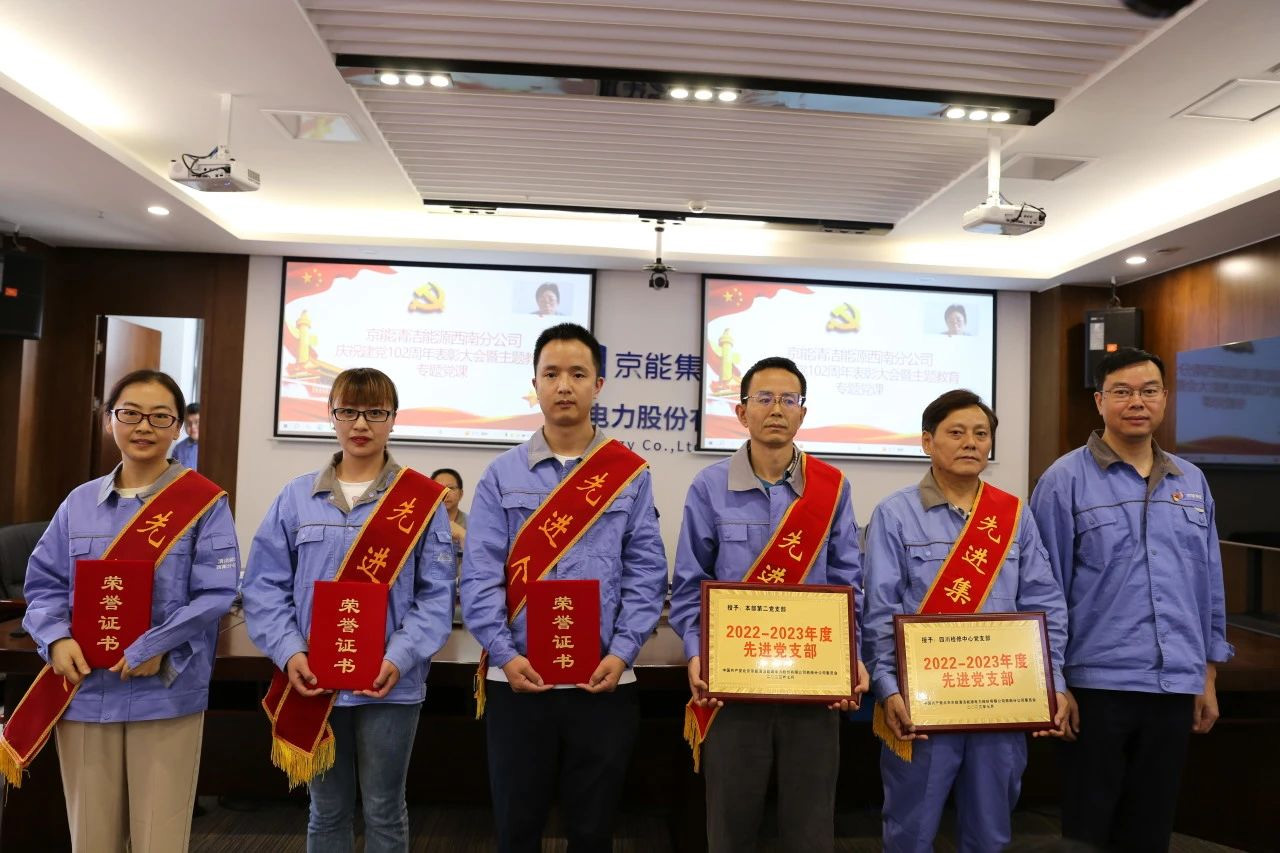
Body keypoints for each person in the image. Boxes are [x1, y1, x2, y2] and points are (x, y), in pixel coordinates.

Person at [460, 322, 667, 852]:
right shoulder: (501, 475)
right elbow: (480, 575)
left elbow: (646, 572)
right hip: (518, 680)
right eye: (551, 374)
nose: (564, 385)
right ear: (535, 384)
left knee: (593, 831)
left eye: (578, 373)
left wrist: (621, 653)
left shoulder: (629, 475)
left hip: (603, 681)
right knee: (516, 829)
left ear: (599, 384)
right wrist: (505, 655)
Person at [13, 369, 238, 852]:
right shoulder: (78, 504)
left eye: (160, 417)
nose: (144, 427)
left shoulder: (205, 503)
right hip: (85, 692)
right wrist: (56, 638)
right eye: (130, 414)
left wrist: (156, 645)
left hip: (165, 691)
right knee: (92, 838)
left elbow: (217, 593)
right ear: (109, 419)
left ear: (178, 427)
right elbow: (45, 584)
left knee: (160, 838)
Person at [242, 367, 455, 853]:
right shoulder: (296, 497)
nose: (361, 424)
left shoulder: (421, 502)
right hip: (314, 679)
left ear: (393, 419)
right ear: (331, 415)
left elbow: (437, 595)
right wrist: (290, 652)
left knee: (384, 809)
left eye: (375, 412)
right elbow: (264, 586)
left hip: (391, 684)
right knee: (326, 811)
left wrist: (398, 657)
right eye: (349, 411)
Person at [1029, 347, 1232, 852]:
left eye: (1148, 391)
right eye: (1122, 392)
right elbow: (1043, 590)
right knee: (1088, 828)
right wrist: (1054, 682)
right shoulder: (1063, 480)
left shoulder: (1191, 480)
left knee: (1151, 826)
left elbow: (1208, 581)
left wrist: (1206, 672)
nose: (1136, 402)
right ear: (1100, 402)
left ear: (1164, 398)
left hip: (1174, 682)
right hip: (1096, 684)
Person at [669, 355, 869, 853]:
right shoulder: (709, 487)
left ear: (803, 412)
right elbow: (690, 584)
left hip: (813, 685)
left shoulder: (832, 488)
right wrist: (697, 653)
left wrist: (852, 655)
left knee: (810, 830)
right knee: (731, 828)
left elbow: (849, 584)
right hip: (733, 689)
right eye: (764, 398)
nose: (776, 409)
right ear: (741, 412)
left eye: (788, 399)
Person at [861, 389, 1070, 852]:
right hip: (920, 704)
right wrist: (888, 688)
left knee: (991, 832)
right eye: (956, 432)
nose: (971, 442)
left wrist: (1051, 681)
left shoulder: (1013, 515)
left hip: (1001, 699)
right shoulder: (895, 514)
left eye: (981, 434)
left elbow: (1045, 603)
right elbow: (878, 609)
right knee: (911, 830)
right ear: (927, 442)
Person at [430, 467, 467, 566]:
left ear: (461, 494)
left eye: (450, 488)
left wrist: (464, 535)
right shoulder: (421, 526)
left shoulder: (475, 525)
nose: (445, 494)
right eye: (439, 488)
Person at [172, 401, 199, 470]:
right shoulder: (178, 449)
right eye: (189, 423)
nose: (193, 427)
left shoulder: (212, 447)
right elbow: (173, 472)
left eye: (197, 422)